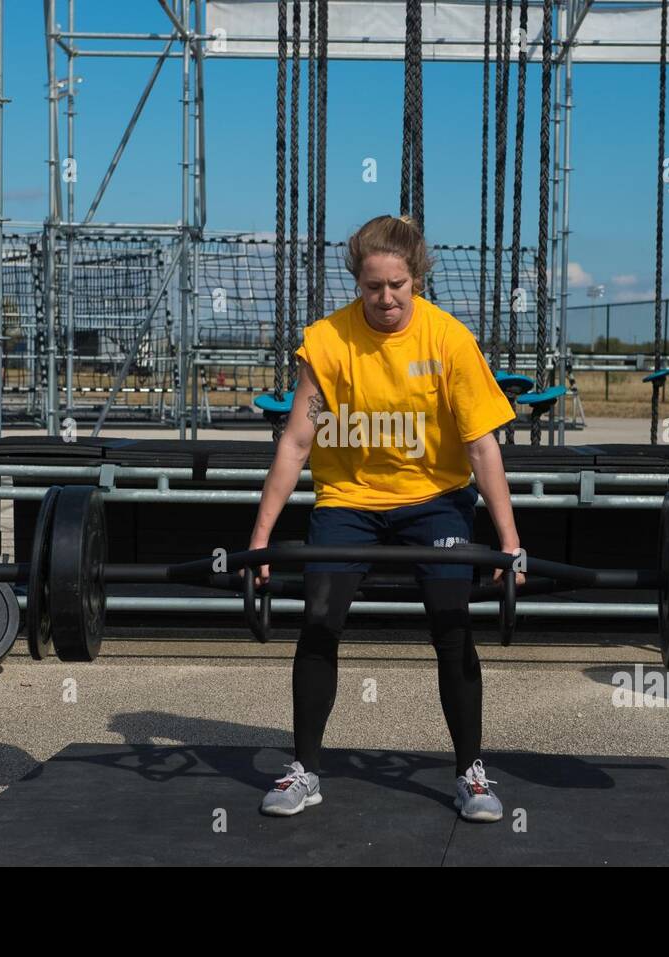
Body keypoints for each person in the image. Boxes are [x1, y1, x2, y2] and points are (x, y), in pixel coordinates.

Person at [248, 215, 523, 822]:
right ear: (358, 283)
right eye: (374, 287)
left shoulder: (450, 340)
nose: (387, 298)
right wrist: (262, 538)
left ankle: (470, 772)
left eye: (398, 284)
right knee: (319, 622)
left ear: (417, 279)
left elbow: (482, 447)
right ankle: (306, 771)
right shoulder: (327, 341)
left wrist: (509, 542)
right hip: (349, 500)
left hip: (436, 501)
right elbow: (296, 443)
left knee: (452, 629)